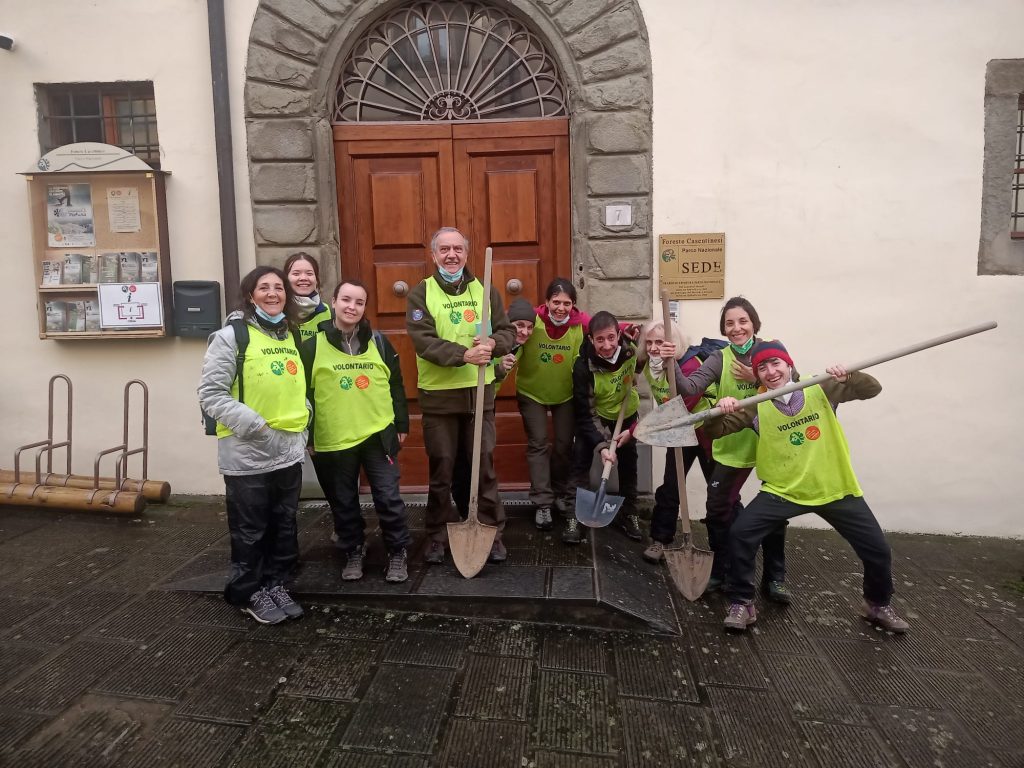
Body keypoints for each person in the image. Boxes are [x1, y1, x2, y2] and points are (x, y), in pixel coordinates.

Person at [708, 340, 910, 634]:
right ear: (757, 374)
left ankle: (876, 605)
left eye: (776, 363)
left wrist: (849, 377)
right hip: (782, 490)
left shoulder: (821, 387)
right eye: (762, 367)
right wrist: (719, 410)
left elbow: (871, 390)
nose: (770, 371)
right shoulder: (754, 407)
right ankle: (742, 603)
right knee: (740, 534)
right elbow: (715, 430)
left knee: (878, 549)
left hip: (834, 487)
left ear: (788, 364)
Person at [198, 266, 309, 625]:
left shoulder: (289, 335)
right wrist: (258, 427)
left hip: (288, 451)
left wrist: (304, 421)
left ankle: (275, 583)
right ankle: (248, 592)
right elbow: (211, 395)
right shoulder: (232, 337)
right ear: (250, 295)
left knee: (284, 524)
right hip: (248, 452)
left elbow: (296, 389)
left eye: (279, 288)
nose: (273, 293)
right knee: (251, 529)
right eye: (265, 288)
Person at [406, 227, 515, 565]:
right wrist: (463, 355)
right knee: (442, 468)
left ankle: (491, 531)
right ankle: (437, 534)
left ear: (466, 254)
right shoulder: (421, 294)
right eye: (444, 250)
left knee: (482, 467)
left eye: (457, 249)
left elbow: (507, 330)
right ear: (433, 255)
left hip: (479, 396)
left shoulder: (485, 290)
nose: (451, 255)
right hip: (440, 399)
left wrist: (494, 343)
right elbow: (423, 341)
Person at [672, 297, 790, 601]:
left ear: (753, 323)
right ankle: (723, 570)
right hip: (733, 444)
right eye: (729, 323)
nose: (736, 328)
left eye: (742, 321)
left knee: (778, 509)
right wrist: (672, 361)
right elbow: (690, 388)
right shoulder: (719, 358)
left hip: (771, 442)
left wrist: (757, 377)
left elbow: (795, 384)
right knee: (717, 509)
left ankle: (775, 578)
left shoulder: (771, 350)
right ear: (723, 329)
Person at [300, 280, 411, 583]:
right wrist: (308, 437)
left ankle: (398, 551)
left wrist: (401, 423)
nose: (352, 307)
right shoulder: (311, 347)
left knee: (388, 498)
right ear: (333, 302)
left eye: (359, 302)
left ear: (364, 308)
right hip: (333, 438)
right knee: (344, 500)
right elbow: (302, 395)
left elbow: (396, 384)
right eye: (346, 300)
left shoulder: (380, 342)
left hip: (378, 435)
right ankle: (353, 549)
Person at [499, 280, 589, 531]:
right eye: (556, 302)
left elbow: (606, 328)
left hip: (565, 395)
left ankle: (560, 493)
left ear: (573, 305)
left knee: (562, 445)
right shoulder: (532, 322)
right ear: (547, 302)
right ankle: (542, 504)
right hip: (532, 393)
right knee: (538, 443)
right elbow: (507, 335)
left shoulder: (579, 325)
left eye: (567, 303)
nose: (561, 308)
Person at [636, 319, 723, 563]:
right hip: (680, 431)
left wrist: (641, 427)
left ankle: (724, 544)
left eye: (660, 342)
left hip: (707, 433)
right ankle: (661, 540)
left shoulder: (691, 364)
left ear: (674, 343)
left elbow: (684, 405)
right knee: (670, 487)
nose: (653, 347)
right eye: (649, 342)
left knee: (718, 491)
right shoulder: (649, 365)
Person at [565, 310, 642, 545]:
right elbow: (585, 414)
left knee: (629, 463)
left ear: (619, 335)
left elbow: (649, 353)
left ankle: (629, 512)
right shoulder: (582, 367)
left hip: (625, 414)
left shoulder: (631, 349)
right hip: (595, 416)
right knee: (580, 462)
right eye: (600, 339)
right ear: (591, 340)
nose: (607, 345)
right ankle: (573, 516)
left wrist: (637, 372)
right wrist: (602, 446)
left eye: (611, 337)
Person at [284, 252, 332, 342]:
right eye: (296, 274)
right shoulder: (277, 313)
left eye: (309, 274)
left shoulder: (330, 314)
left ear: (317, 280)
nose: (303, 278)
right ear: (285, 279)